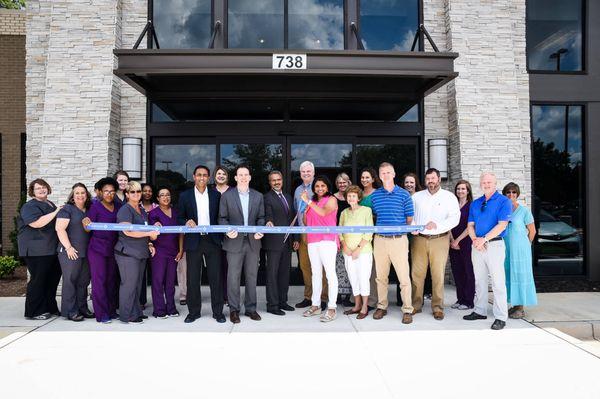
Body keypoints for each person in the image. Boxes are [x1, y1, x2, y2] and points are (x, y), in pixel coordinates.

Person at [463, 172, 512, 330]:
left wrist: (484, 239)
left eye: (489, 182)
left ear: (495, 183)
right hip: (477, 245)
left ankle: (500, 316)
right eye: (483, 182)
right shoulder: (475, 203)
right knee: (480, 280)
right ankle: (480, 310)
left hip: (494, 245)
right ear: (480, 184)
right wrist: (475, 241)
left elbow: (502, 225)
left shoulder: (504, 201)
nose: (486, 184)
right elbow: (470, 226)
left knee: (497, 283)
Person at [177, 165, 226, 324]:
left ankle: (218, 312)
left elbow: (221, 217)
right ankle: (194, 312)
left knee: (215, 278)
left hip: (213, 241)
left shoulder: (216, 195)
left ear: (209, 177)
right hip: (194, 241)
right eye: (199, 175)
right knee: (193, 279)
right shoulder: (185, 196)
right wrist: (186, 221)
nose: (202, 178)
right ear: (194, 176)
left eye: (205, 175)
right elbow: (179, 217)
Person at [410, 168, 460, 320]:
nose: (431, 181)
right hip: (419, 239)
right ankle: (416, 305)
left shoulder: (449, 197)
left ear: (439, 179)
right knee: (417, 274)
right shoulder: (416, 197)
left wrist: (437, 226)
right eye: (428, 179)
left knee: (437, 274)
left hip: (440, 238)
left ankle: (437, 307)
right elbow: (409, 215)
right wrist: (413, 226)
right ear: (425, 181)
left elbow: (454, 218)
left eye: (433, 178)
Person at [219, 165, 265, 323]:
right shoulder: (227, 196)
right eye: (241, 175)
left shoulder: (258, 196)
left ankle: (251, 309)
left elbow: (261, 217)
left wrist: (261, 229)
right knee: (233, 277)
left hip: (253, 241)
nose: (244, 177)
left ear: (250, 177)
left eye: (246, 174)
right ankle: (234, 310)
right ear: (236, 178)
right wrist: (227, 230)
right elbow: (222, 218)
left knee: (252, 277)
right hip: (234, 242)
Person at [371, 162, 414, 324]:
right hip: (380, 240)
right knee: (381, 277)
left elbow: (409, 220)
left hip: (399, 240)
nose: (386, 175)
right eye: (383, 173)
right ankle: (381, 306)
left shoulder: (404, 195)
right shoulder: (375, 196)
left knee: (404, 277)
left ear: (394, 174)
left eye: (388, 172)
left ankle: (407, 309)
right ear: (379, 176)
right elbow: (375, 216)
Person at [114, 181, 159, 324]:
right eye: (132, 192)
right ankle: (127, 315)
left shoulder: (142, 210)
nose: (136, 194)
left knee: (137, 285)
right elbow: (128, 231)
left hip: (141, 252)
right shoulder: (125, 210)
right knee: (129, 284)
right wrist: (149, 233)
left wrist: (150, 242)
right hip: (127, 253)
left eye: (138, 191)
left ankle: (136, 312)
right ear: (127, 194)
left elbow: (145, 229)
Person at [18, 179, 62, 320]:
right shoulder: (29, 206)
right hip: (36, 250)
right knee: (38, 280)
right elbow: (37, 223)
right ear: (32, 191)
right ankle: (34, 311)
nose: (41, 190)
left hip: (51, 249)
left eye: (43, 187)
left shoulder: (48, 204)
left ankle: (49, 307)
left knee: (52, 279)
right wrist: (56, 212)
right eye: (38, 188)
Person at [300, 175, 339, 322]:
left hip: (327, 240)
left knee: (330, 274)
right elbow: (306, 221)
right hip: (313, 240)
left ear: (327, 187)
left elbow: (323, 213)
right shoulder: (313, 202)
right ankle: (315, 305)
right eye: (317, 186)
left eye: (323, 186)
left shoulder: (332, 199)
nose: (320, 188)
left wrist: (308, 201)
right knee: (315, 273)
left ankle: (332, 307)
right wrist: (306, 210)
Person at [83, 177, 121, 323]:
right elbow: (87, 227)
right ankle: (101, 314)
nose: (109, 194)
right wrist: (85, 223)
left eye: (112, 191)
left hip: (113, 249)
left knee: (111, 281)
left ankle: (111, 311)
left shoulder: (118, 206)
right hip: (97, 250)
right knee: (99, 282)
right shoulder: (95, 206)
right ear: (100, 192)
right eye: (106, 191)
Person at [55, 183, 94, 321]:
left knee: (83, 281)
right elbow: (60, 229)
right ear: (72, 195)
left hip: (85, 252)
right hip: (69, 251)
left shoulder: (89, 209)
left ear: (87, 194)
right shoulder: (67, 209)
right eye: (77, 193)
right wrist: (68, 247)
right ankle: (70, 311)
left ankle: (82, 308)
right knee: (70, 281)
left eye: (83, 192)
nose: (80, 195)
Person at [263, 171, 299, 315]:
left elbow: (293, 219)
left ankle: (283, 301)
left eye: (278, 179)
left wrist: (296, 238)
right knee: (272, 274)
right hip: (273, 242)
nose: (276, 182)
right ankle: (272, 305)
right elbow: (267, 214)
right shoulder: (266, 198)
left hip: (288, 242)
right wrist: (268, 221)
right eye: (273, 180)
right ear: (270, 182)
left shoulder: (288, 197)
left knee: (284, 273)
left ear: (282, 180)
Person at [293, 161, 327, 309]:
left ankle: (323, 298)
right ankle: (309, 296)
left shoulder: (319, 188)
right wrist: (296, 236)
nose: (306, 174)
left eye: (309, 171)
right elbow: (296, 213)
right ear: (300, 173)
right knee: (305, 267)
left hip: (318, 234)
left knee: (320, 267)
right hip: (302, 233)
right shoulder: (297, 190)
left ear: (313, 173)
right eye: (303, 172)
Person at [502, 182, 537, 319]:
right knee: (509, 275)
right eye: (508, 192)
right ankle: (514, 305)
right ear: (505, 194)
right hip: (506, 249)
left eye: (514, 193)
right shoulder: (503, 210)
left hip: (521, 251)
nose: (511, 195)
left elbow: (532, 231)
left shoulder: (524, 211)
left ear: (517, 194)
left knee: (520, 276)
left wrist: (525, 245)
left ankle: (520, 308)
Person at [339, 185, 374, 319]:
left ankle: (365, 307)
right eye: (349, 196)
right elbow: (339, 231)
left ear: (359, 197)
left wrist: (358, 249)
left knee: (363, 279)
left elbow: (369, 231)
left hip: (363, 252)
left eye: (354, 195)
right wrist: (345, 246)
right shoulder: (344, 213)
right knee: (353, 279)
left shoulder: (366, 211)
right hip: (347, 251)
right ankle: (357, 305)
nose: (351, 198)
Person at [149, 186, 184, 318]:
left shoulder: (176, 212)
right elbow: (151, 234)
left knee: (170, 281)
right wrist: (154, 229)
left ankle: (171, 308)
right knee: (158, 281)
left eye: (168, 194)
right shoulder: (154, 213)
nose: (165, 197)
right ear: (157, 198)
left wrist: (181, 250)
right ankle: (159, 310)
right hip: (159, 251)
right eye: (162, 195)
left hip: (174, 251)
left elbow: (181, 232)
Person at [449, 180, 475, 310]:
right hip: (452, 243)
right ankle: (460, 299)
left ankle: (468, 301)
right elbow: (448, 223)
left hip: (466, 242)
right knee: (457, 271)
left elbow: (470, 226)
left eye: (463, 189)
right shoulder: (453, 205)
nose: (460, 191)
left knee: (468, 272)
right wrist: (453, 240)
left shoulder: (472, 206)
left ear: (468, 191)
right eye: (458, 189)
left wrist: (458, 240)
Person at [359, 167, 380, 310]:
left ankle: (372, 301)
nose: (364, 180)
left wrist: (367, 218)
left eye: (367, 177)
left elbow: (379, 214)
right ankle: (359, 299)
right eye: (362, 177)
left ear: (373, 179)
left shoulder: (377, 194)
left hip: (374, 235)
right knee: (360, 269)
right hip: (359, 237)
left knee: (372, 270)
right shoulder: (358, 195)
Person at [213, 165, 232, 303]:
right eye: (218, 173)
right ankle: (218, 295)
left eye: (223, 174)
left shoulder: (233, 192)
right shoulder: (209, 192)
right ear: (215, 176)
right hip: (213, 234)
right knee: (216, 267)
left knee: (228, 266)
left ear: (227, 176)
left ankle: (227, 295)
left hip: (230, 234)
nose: (221, 176)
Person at [334, 172, 353, 307]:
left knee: (349, 266)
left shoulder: (352, 197)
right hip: (336, 236)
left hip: (351, 237)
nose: (342, 184)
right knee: (338, 266)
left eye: (344, 182)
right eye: (339, 182)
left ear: (348, 183)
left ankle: (348, 296)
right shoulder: (333, 198)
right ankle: (338, 294)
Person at [140, 183, 157, 309]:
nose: (147, 193)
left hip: (157, 243)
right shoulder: (137, 206)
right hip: (140, 242)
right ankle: (141, 301)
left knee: (155, 273)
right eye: (144, 190)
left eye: (150, 191)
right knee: (141, 274)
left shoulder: (156, 206)